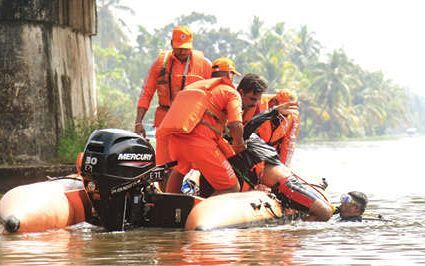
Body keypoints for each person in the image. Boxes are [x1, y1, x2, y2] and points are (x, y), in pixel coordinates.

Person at [160, 57, 249, 195]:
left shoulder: (194, 87)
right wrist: (238, 144)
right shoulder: (230, 92)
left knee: (179, 171)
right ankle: (198, 214)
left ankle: (168, 212)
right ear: (229, 75)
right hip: (201, 144)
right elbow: (235, 124)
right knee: (231, 188)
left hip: (176, 142)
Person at [134, 25, 212, 165]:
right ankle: (165, 188)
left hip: (192, 123)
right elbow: (147, 92)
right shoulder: (160, 64)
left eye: (186, 47)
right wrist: (139, 121)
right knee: (164, 164)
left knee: (193, 164)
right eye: (179, 47)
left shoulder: (205, 65)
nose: (182, 51)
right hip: (165, 120)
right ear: (171, 44)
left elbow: (214, 95)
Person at [255, 89, 300, 166]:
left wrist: (283, 167)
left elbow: (288, 146)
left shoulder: (294, 116)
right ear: (274, 102)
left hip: (270, 155)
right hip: (252, 149)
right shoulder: (258, 102)